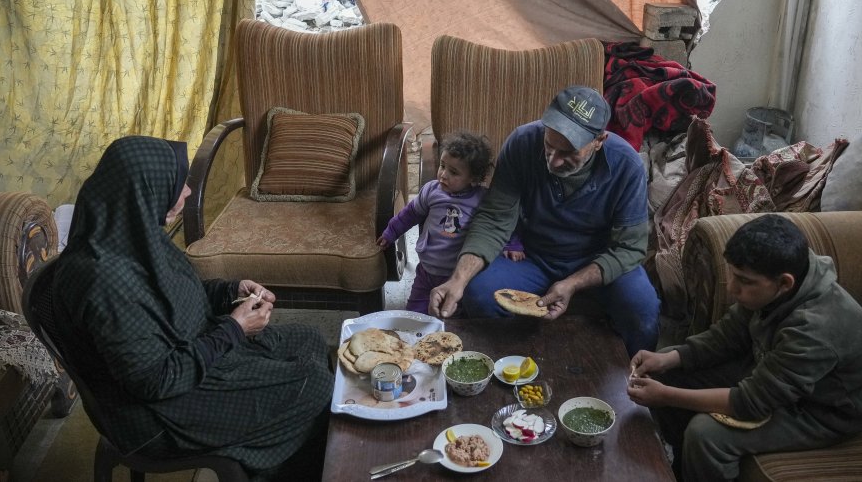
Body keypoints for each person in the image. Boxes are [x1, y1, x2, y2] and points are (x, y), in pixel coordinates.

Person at [47, 136, 333, 479]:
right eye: (177, 182)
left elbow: (179, 293)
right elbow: (156, 381)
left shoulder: (131, 237)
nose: (186, 192)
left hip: (189, 357)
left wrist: (232, 292)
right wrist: (233, 329)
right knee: (314, 386)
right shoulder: (101, 282)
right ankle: (278, 467)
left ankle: (289, 453)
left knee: (308, 339)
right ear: (144, 190)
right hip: (159, 412)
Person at [626, 214, 862, 481]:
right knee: (665, 365)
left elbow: (749, 402)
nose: (733, 289)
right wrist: (669, 359)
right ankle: (679, 466)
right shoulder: (781, 278)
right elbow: (728, 336)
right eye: (733, 275)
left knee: (706, 435)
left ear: (785, 283)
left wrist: (667, 396)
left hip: (820, 411)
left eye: (745, 281)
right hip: (774, 373)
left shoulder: (814, 330)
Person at [428, 85, 661, 357]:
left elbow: (629, 249)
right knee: (478, 293)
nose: (553, 159)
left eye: (569, 152)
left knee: (642, 310)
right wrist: (457, 279)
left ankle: (640, 385)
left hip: (599, 261)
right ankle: (514, 367)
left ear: (599, 141)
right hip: (534, 257)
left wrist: (572, 283)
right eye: (549, 145)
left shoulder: (627, 166)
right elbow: (494, 219)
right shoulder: (523, 141)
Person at [377, 131, 523, 314]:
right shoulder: (431, 191)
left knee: (453, 316)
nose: (443, 175)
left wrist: (513, 244)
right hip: (426, 271)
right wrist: (391, 232)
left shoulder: (483, 199)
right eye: (442, 165)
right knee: (415, 314)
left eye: (453, 172)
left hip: (457, 275)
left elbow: (502, 221)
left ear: (474, 178)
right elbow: (410, 214)